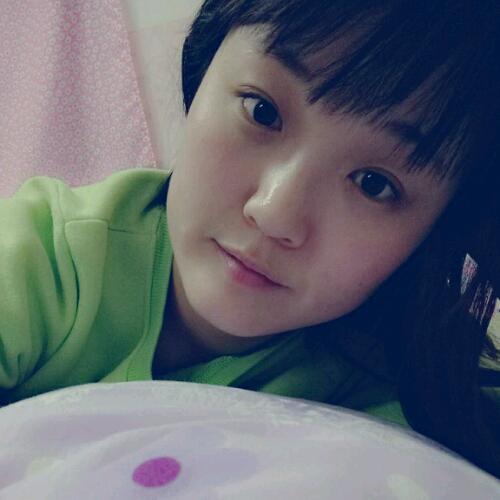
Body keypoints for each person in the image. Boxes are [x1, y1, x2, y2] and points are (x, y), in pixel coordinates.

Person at [0, 0, 499, 478]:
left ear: (437, 231)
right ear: (202, 68)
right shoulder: (50, 255)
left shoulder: (400, 408)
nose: (275, 212)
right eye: (262, 111)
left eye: (373, 184)